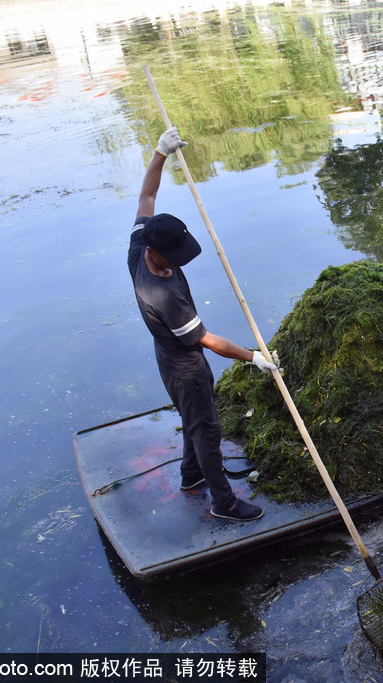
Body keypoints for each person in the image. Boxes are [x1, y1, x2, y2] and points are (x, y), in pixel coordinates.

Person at [129, 127, 277, 522]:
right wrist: (253, 358)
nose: (181, 260)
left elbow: (146, 196)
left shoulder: (139, 245)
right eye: (175, 255)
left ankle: (191, 475)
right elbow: (208, 340)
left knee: (194, 420)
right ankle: (224, 503)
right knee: (207, 430)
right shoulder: (165, 298)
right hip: (185, 366)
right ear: (157, 252)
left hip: (168, 356)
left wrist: (160, 153)